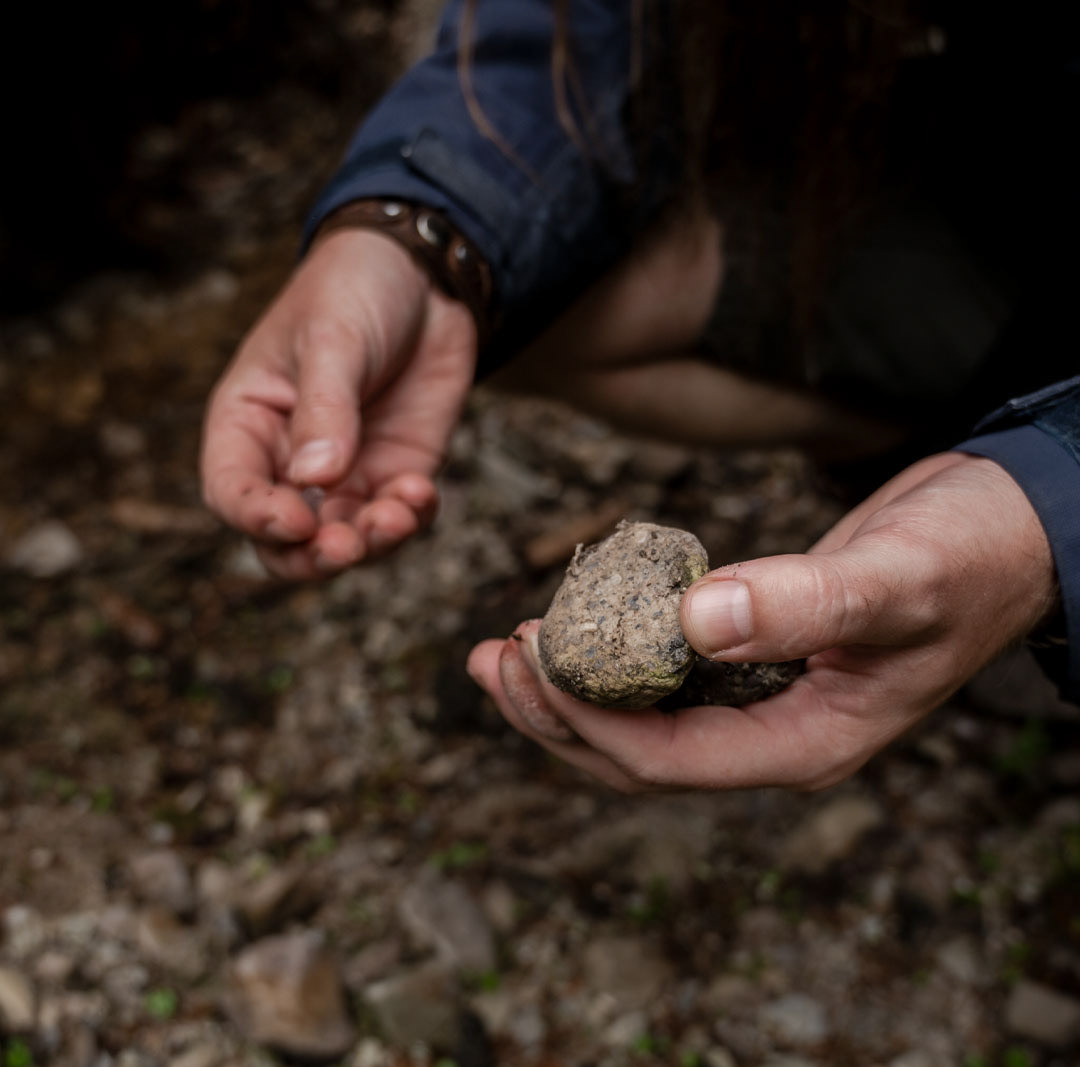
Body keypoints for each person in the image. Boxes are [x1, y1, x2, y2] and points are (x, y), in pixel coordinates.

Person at [200, 0, 1080, 793]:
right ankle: (928, 457)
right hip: (992, 156)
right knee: (519, 305)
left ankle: (987, 558)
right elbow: (578, 29)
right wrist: (422, 231)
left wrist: (1046, 512)